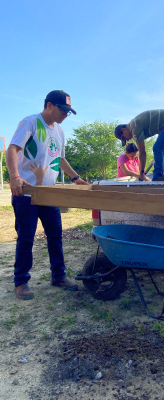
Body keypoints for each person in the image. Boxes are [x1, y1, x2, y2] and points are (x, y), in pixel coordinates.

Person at [6, 90, 88, 300]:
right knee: (26, 237)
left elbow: (60, 160)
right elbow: (13, 149)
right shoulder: (31, 122)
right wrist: (14, 176)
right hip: (27, 194)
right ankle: (21, 281)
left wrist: (75, 178)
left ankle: (58, 276)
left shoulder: (59, 131)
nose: (66, 115)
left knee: (55, 236)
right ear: (49, 105)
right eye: (63, 110)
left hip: (50, 194)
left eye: (69, 112)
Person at [114, 109, 164, 181]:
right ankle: (159, 175)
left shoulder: (135, 128)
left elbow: (142, 153)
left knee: (157, 148)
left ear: (123, 130)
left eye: (125, 138)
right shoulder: (134, 125)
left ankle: (157, 178)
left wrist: (141, 173)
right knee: (160, 150)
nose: (127, 140)